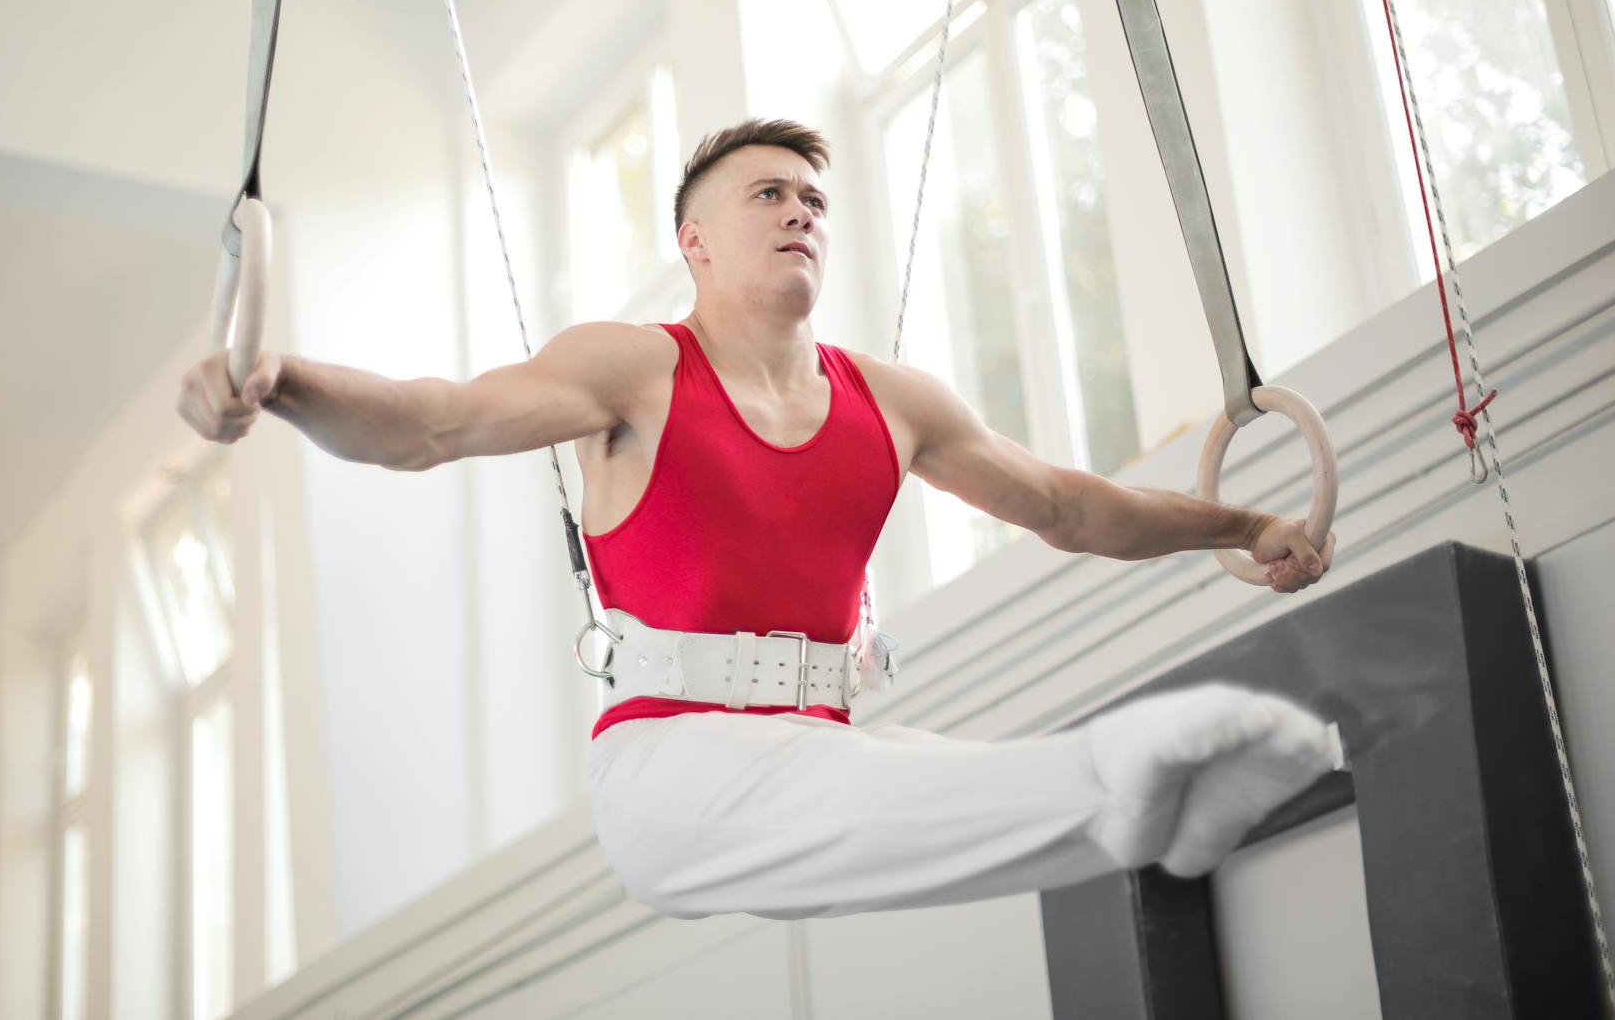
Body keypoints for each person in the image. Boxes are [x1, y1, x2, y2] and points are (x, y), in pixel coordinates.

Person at [176, 118, 1342, 920]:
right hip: (669, 770)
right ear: (693, 239)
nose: (801, 212)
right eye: (768, 193)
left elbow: (1067, 505)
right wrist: (273, 379)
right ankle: (1117, 773)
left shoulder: (893, 399)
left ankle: (1150, 814)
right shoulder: (630, 369)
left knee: (931, 779)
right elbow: (427, 423)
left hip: (819, 749)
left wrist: (1239, 525)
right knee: (887, 787)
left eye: (815, 198)